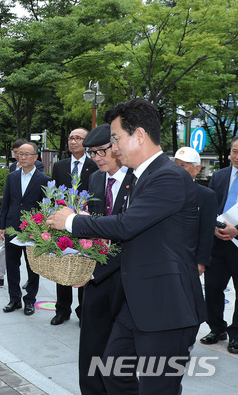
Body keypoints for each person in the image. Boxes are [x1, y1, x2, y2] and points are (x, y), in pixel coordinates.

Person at [47, 99, 205, 394]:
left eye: (116, 138)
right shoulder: (139, 176)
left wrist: (72, 222)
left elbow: (125, 225)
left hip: (167, 308)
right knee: (113, 374)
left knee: (157, 388)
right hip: (135, 305)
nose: (114, 147)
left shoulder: (169, 176)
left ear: (140, 135)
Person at [78, 124, 133, 395]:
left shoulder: (140, 177)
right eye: (91, 153)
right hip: (97, 275)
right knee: (91, 344)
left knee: (121, 352)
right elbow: (93, 224)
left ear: (117, 147)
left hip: (129, 276)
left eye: (101, 151)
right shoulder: (96, 179)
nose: (96, 158)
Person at [50, 127, 98, 326]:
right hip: (62, 222)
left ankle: (83, 310)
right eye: (71, 138)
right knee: (63, 265)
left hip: (84, 221)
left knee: (81, 265)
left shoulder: (94, 165)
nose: (73, 141)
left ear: (86, 143)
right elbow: (54, 194)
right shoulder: (59, 166)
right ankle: (62, 310)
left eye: (78, 138)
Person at [0, 141, 49, 316]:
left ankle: (30, 301)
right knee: (12, 264)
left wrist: (43, 230)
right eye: (20, 153)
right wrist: (2, 226)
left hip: (32, 230)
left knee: (32, 267)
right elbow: (6, 203)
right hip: (12, 227)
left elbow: (46, 208)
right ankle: (14, 299)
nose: (23, 157)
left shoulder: (44, 180)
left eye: (27, 154)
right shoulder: (12, 177)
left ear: (35, 157)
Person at [200, 136, 238, 354]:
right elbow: (210, 205)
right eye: (234, 151)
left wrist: (237, 231)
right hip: (217, 241)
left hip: (237, 241)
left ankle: (236, 335)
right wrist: (213, 225)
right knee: (213, 288)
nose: (236, 156)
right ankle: (216, 328)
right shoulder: (220, 175)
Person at [0, 139, 26, 286]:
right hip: (12, 218)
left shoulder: (37, 166)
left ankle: (32, 280)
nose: (17, 155)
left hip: (29, 219)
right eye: (15, 152)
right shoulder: (13, 166)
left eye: (19, 152)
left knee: (29, 252)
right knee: (7, 247)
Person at [173, 147, 216, 277]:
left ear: (197, 169)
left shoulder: (206, 195)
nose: (179, 169)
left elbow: (207, 231)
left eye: (184, 165)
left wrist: (201, 261)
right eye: (176, 165)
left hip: (190, 257)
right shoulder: (165, 191)